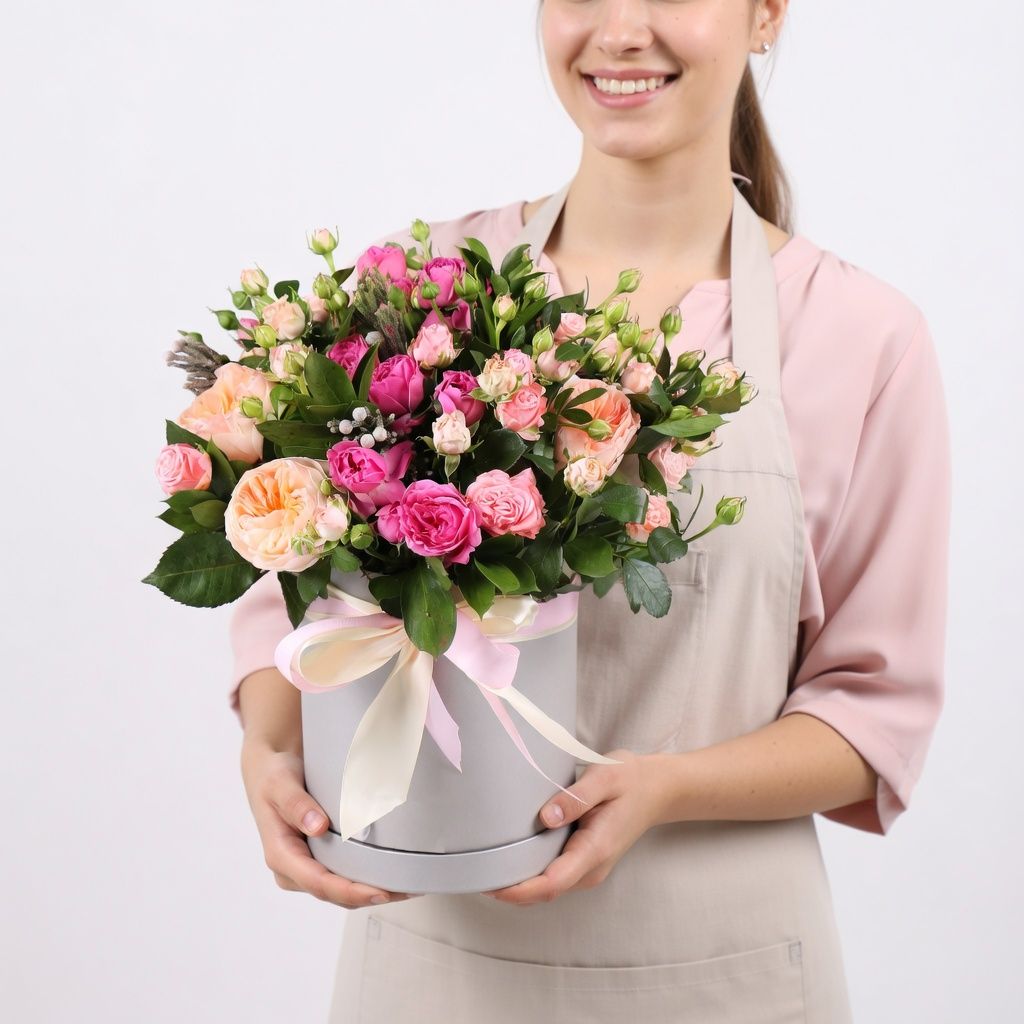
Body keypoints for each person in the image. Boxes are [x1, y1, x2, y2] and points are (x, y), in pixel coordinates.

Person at [229, 1, 952, 1020]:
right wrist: (270, 752)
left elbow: (871, 715)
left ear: (764, 15)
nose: (620, 30)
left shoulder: (862, 337)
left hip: (725, 968)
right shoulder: (417, 293)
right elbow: (295, 602)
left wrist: (665, 787)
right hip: (433, 964)